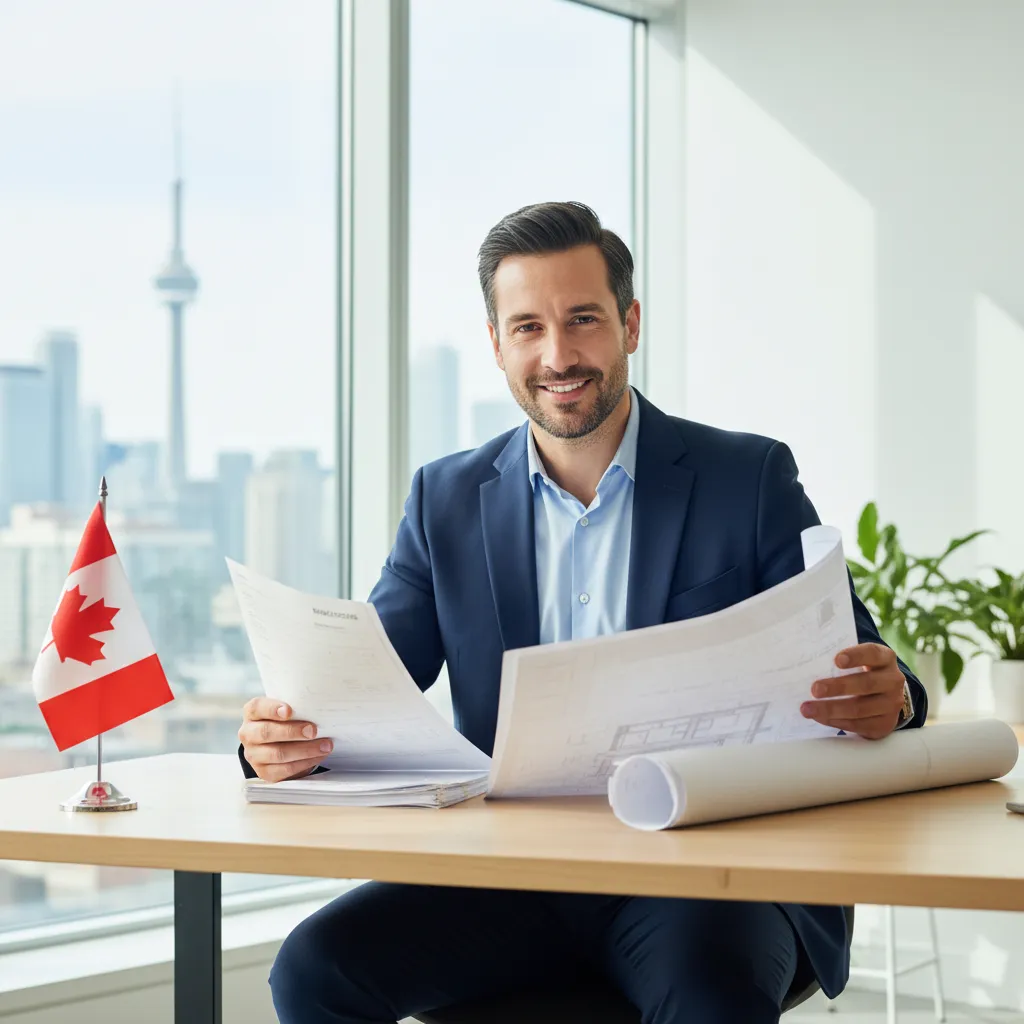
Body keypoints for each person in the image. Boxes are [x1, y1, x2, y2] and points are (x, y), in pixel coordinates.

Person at [238, 201, 925, 1024]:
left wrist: (895, 697)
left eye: (583, 320)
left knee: (709, 994)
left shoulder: (748, 480)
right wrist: (282, 741)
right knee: (314, 972)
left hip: (699, 872)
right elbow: (368, 685)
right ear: (496, 344)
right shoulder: (445, 500)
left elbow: (870, 665)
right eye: (527, 327)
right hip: (512, 873)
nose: (557, 355)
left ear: (630, 324)